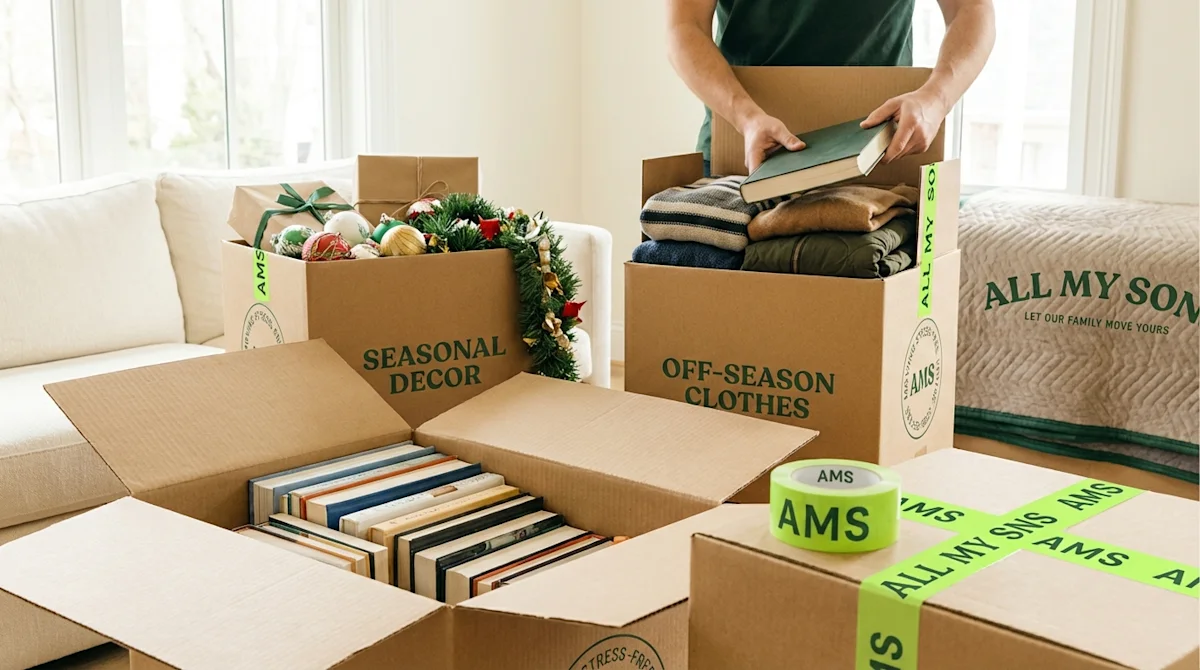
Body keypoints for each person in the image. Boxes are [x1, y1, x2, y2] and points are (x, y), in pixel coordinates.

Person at [666, 0, 995, 175]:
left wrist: (935, 99)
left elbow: (972, 8)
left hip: (882, 154)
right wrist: (746, 117)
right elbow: (685, 26)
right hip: (744, 155)